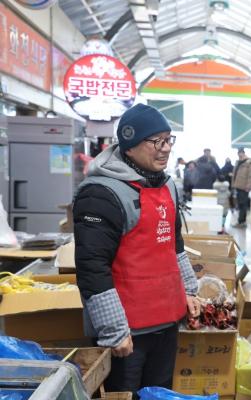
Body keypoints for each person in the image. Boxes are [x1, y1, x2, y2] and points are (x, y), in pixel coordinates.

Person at [73, 104, 200, 395]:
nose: (166, 148)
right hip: (128, 335)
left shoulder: (167, 186)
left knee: (159, 393)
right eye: (157, 141)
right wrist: (113, 329)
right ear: (129, 147)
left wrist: (189, 291)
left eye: (169, 140)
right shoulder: (101, 193)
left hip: (166, 323)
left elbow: (173, 245)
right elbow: (92, 266)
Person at [231, 148, 251, 228]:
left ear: (244, 153)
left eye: (241, 153)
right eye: (238, 153)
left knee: (243, 204)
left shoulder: (249, 162)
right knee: (240, 204)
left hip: (244, 187)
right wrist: (233, 185)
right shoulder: (238, 162)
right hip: (237, 186)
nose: (240, 154)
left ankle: (241, 222)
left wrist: (248, 186)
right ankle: (241, 221)